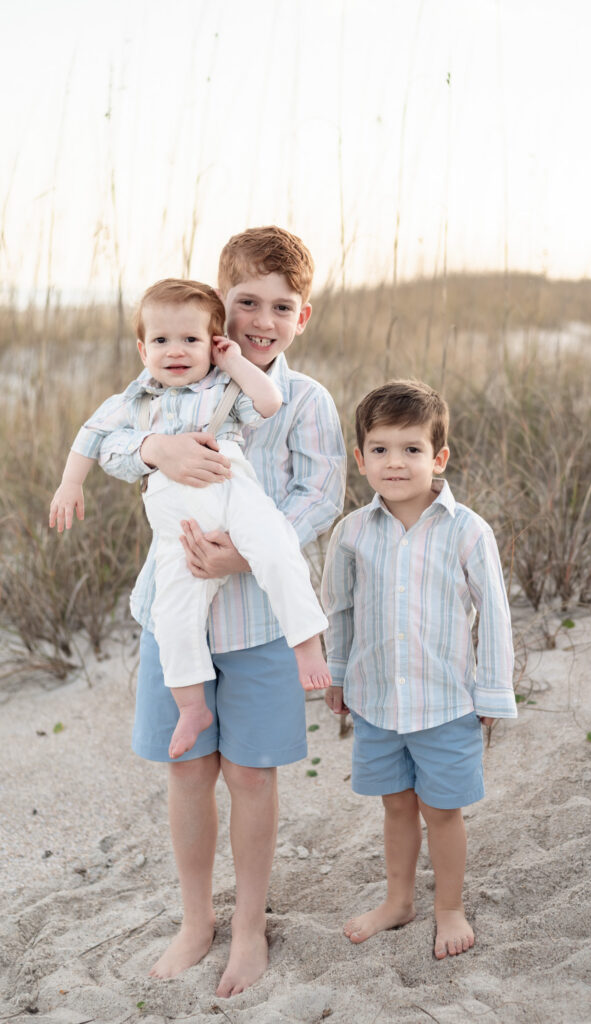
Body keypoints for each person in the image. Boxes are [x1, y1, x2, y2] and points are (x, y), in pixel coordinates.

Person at [69, 228, 346, 997]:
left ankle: (248, 924)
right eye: (245, 301)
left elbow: (319, 494)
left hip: (258, 622)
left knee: (251, 777)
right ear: (219, 303)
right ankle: (197, 919)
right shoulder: (164, 378)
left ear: (302, 316)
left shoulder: (307, 400)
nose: (260, 319)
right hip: (175, 616)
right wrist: (155, 452)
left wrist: (246, 552)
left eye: (279, 306)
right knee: (188, 769)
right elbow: (112, 444)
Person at [49, 278, 331, 761]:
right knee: (174, 613)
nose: (175, 351)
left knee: (277, 549)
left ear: (213, 342)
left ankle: (305, 641)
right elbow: (93, 436)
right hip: (179, 529)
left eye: (191, 341)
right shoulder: (133, 401)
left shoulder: (224, 385)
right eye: (160, 341)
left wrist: (234, 362)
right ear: (142, 348)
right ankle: (191, 705)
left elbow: (269, 403)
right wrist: (71, 482)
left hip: (233, 491)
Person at [321, 379, 516, 960]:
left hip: (446, 703)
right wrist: (336, 674)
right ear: (360, 459)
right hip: (377, 701)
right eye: (379, 449)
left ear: (439, 458)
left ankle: (448, 907)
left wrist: (493, 692)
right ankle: (399, 899)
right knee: (397, 804)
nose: (395, 462)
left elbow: (496, 616)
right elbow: (341, 608)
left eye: (411, 449)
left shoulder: (466, 530)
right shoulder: (352, 533)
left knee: (442, 809)